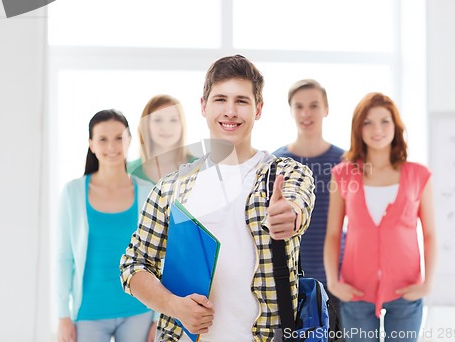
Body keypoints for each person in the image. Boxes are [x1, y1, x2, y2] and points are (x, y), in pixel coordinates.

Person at [120, 55, 315, 341]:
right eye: (221, 99)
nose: (230, 111)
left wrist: (289, 217)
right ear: (204, 106)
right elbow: (133, 265)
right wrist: (175, 306)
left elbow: (297, 203)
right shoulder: (171, 188)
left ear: (258, 108)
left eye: (242, 101)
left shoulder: (285, 174)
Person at [324, 93, 437, 342]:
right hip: (356, 291)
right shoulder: (342, 175)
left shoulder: (419, 175)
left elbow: (429, 234)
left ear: (396, 126)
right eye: (368, 122)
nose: (377, 129)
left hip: (406, 290)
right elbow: (333, 233)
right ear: (358, 128)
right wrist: (333, 282)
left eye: (385, 121)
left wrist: (428, 284)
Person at [56, 109, 157, 342]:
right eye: (103, 139)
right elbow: (64, 257)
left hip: (139, 311)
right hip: (89, 312)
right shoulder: (73, 192)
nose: (112, 146)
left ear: (129, 140)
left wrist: (157, 318)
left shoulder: (147, 190)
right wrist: (63, 317)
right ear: (91, 144)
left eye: (119, 138)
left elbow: (158, 257)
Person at [273, 79, 345, 323]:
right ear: (291, 110)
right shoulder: (276, 163)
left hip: (339, 280)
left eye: (314, 105)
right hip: (291, 281)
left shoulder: (345, 162)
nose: (306, 113)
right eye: (299, 106)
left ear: (326, 109)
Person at [128, 94, 196, 184]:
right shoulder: (130, 171)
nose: (166, 127)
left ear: (182, 125)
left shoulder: (199, 168)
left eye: (173, 120)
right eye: (158, 120)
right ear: (146, 125)